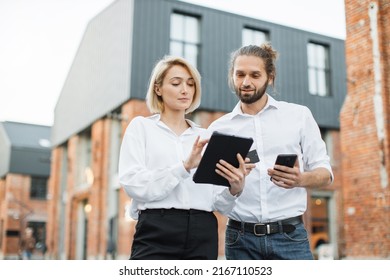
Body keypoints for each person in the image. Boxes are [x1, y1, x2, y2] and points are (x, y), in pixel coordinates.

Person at [118, 55, 254, 260]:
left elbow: (220, 205)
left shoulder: (207, 137)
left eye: (191, 84)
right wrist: (184, 167)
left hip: (203, 232)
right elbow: (133, 184)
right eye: (176, 83)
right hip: (156, 230)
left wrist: (235, 188)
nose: (185, 90)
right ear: (158, 88)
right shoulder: (141, 127)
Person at [207, 43, 333, 260]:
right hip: (240, 241)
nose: (246, 82)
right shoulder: (218, 129)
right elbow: (214, 200)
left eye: (255, 75)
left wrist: (300, 179)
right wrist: (233, 189)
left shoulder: (298, 116)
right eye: (240, 74)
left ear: (270, 77)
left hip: (290, 238)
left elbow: (326, 174)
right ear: (232, 76)